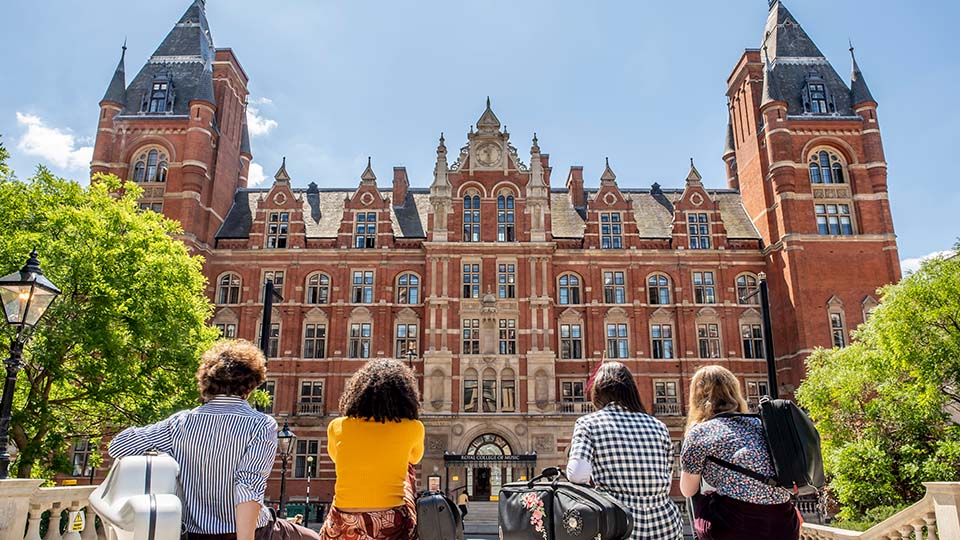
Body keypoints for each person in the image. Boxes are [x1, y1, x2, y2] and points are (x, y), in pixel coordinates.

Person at [109, 340, 319, 540]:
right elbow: (247, 488)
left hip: (195, 533)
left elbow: (119, 445)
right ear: (251, 385)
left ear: (207, 382)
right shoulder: (261, 425)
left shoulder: (180, 422)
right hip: (248, 531)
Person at [679, 365, 800, 540]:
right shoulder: (763, 425)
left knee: (696, 495)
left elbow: (687, 490)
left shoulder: (699, 432)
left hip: (735, 526)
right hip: (784, 524)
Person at [566, 361, 683, 540]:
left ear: (599, 392)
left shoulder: (589, 424)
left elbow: (577, 475)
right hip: (664, 524)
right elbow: (667, 474)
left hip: (619, 523)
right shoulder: (659, 426)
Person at [320, 359, 424, 540]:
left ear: (357, 393)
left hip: (342, 522)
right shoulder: (413, 427)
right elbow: (414, 459)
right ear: (406, 396)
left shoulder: (337, 426)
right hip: (390, 523)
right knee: (407, 468)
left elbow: (337, 459)